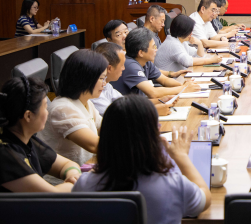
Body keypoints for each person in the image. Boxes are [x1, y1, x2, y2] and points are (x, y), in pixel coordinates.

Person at [73, 96, 211, 224]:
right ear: (151, 138)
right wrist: (182, 157)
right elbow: (205, 199)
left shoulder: (85, 185)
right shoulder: (173, 184)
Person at [0, 77, 81, 192]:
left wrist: (72, 174)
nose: (47, 112)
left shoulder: (26, 139)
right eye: (45, 107)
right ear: (28, 116)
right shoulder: (5, 154)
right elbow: (52, 196)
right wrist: (77, 182)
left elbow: (66, 164)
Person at [38, 50, 106, 169]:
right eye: (101, 78)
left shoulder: (86, 102)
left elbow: (107, 128)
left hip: (84, 169)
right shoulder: (62, 109)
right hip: (65, 177)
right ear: (85, 78)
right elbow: (95, 145)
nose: (104, 84)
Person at [92, 42, 179, 117]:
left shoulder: (107, 85)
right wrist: (153, 110)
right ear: (109, 68)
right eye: (122, 65)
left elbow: (126, 105)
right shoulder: (94, 90)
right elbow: (116, 116)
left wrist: (160, 100)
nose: (124, 68)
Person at [111, 28, 200, 98]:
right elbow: (153, 93)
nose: (156, 49)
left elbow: (164, 80)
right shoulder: (130, 65)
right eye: (153, 47)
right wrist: (184, 88)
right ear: (141, 53)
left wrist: (184, 85)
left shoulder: (145, 62)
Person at [155, 14, 220, 72]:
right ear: (183, 30)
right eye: (190, 31)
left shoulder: (181, 41)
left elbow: (199, 56)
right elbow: (187, 61)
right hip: (170, 79)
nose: (191, 34)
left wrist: (199, 43)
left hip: (177, 78)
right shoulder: (172, 44)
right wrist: (211, 60)